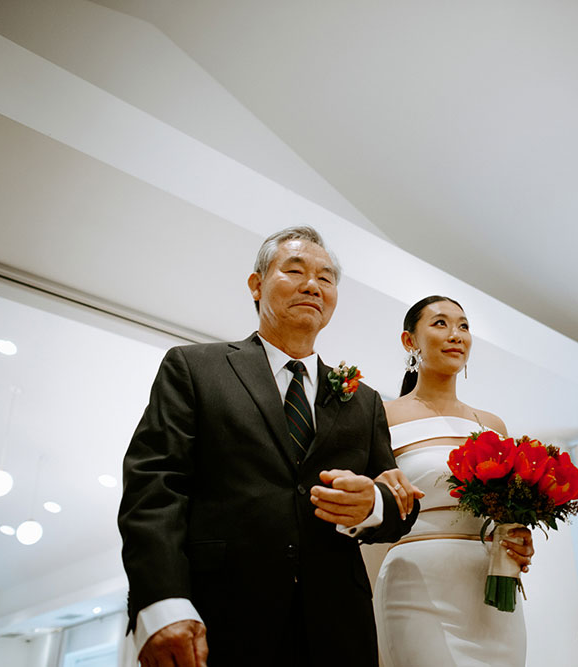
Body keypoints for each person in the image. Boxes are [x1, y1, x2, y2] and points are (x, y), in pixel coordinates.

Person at [118, 226, 419, 667]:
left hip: (337, 628)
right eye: (294, 270)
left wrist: (372, 505)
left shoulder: (366, 400)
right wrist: (162, 602)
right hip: (220, 619)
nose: (312, 284)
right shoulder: (195, 368)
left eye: (327, 277)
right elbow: (154, 486)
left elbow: (396, 504)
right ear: (257, 285)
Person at [370, 295, 535, 666]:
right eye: (440, 323)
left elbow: (505, 514)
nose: (456, 335)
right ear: (409, 341)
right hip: (416, 585)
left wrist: (517, 536)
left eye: (463, 325)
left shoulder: (492, 426)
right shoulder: (381, 417)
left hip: (491, 587)